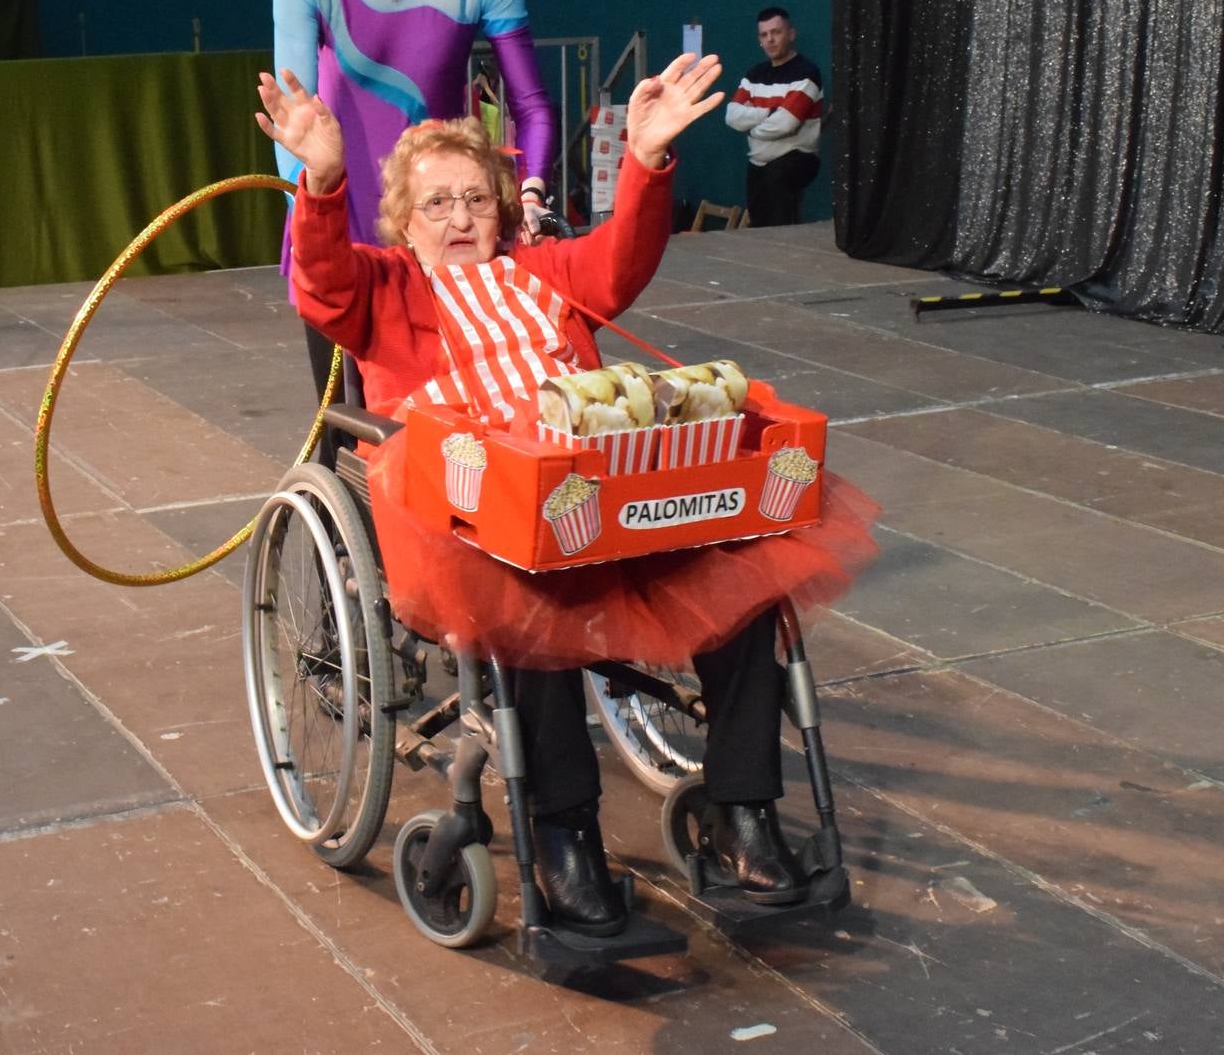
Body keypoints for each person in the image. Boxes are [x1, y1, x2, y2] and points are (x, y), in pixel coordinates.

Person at [258, 54, 878, 938]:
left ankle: (744, 813)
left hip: (593, 498)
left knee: (740, 576)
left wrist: (647, 159)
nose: (460, 217)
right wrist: (321, 181)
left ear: (502, 209)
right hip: (466, 515)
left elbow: (622, 260)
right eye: (436, 203)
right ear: (404, 220)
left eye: (475, 198)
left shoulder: (542, 272)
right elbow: (316, 286)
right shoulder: (380, 286)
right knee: (524, 604)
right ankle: (564, 841)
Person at [273, 0, 557, 391]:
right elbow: (295, 134)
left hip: (442, 232)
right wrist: (317, 225)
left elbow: (533, 106)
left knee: (451, 415)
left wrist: (531, 196)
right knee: (341, 429)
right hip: (339, 231)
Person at [723, 6, 824, 227]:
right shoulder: (754, 75)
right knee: (759, 228)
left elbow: (786, 123)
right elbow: (731, 115)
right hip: (758, 162)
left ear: (791, 33)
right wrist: (769, 112)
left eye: (776, 32)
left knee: (780, 228)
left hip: (797, 159)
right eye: (764, 34)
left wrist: (751, 128)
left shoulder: (806, 73)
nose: (770, 39)